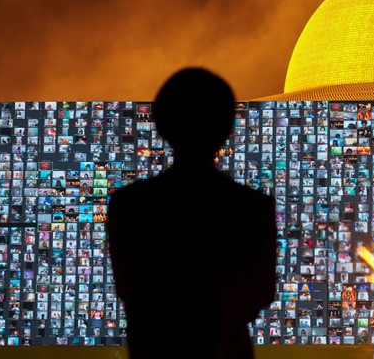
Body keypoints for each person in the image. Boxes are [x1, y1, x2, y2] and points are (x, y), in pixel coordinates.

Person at [107, 68, 277, 358]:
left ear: (160, 125)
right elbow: (260, 293)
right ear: (227, 128)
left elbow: (128, 290)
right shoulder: (251, 207)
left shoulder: (130, 205)